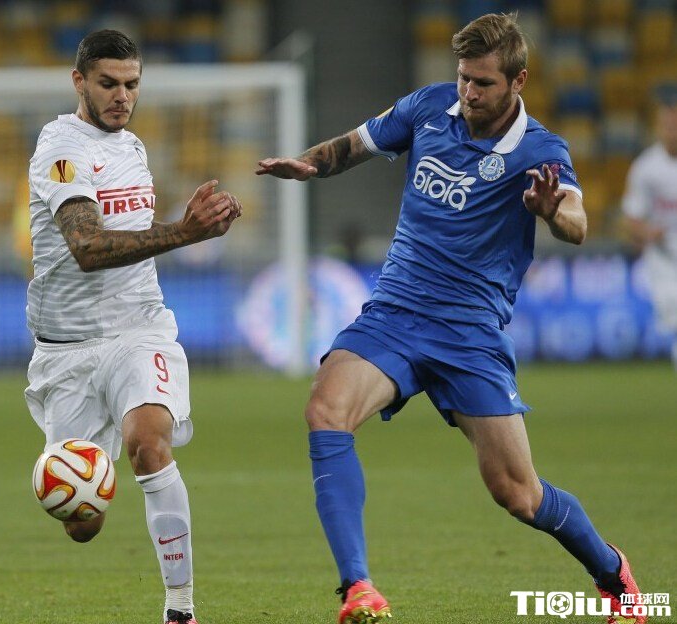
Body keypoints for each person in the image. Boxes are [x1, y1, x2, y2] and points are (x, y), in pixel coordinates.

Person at [257, 13, 646, 624]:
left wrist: (551, 211)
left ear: (518, 80)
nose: (469, 92)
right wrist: (310, 164)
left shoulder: (540, 151)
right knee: (325, 410)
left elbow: (577, 222)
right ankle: (358, 589)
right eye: (464, 78)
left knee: (518, 494)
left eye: (483, 83)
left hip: (469, 335)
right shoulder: (429, 108)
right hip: (395, 312)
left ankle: (611, 570)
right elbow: (355, 145)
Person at [24, 30, 241, 624]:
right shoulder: (60, 149)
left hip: (138, 329)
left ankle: (180, 609)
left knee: (149, 442)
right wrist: (185, 232)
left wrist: (205, 222)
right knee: (83, 524)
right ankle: (73, 477)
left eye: (132, 84)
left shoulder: (134, 147)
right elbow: (88, 248)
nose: (122, 96)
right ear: (79, 82)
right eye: (108, 84)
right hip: (66, 349)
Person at [622, 83, 677, 370]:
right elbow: (631, 219)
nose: (672, 131)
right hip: (664, 262)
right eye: (668, 125)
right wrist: (647, 232)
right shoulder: (646, 168)